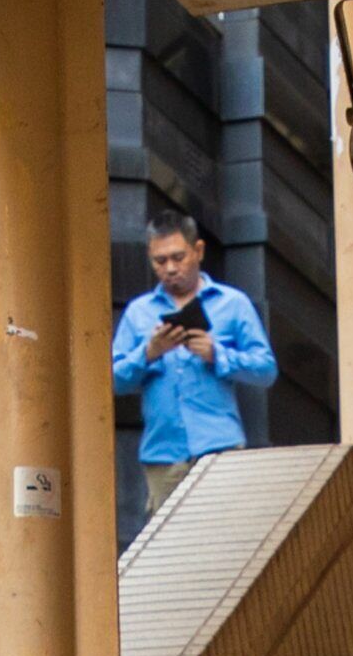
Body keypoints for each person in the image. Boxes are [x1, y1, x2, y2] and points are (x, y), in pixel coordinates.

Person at [110, 208, 277, 515]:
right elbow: (112, 381)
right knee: (169, 549)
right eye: (160, 261)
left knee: (228, 539)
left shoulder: (232, 303)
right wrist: (148, 353)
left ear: (198, 251)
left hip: (220, 447)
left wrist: (218, 355)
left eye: (178, 257)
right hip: (163, 453)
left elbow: (266, 369)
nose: (171, 268)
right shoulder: (138, 312)